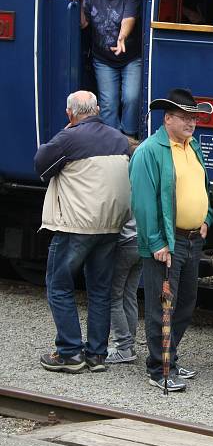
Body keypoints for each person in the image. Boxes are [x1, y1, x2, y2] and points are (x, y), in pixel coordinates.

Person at [35, 91, 131, 373]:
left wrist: (66, 132)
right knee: (100, 291)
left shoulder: (69, 138)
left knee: (59, 285)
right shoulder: (118, 138)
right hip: (111, 226)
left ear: (69, 113)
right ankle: (97, 355)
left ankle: (69, 353)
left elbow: (41, 165)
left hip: (76, 226)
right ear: (98, 109)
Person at [129, 88, 213, 392]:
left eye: (194, 118)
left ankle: (170, 357)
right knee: (162, 306)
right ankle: (159, 368)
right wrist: (155, 243)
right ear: (168, 119)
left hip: (192, 240)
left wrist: (207, 219)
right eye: (185, 117)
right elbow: (143, 203)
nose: (191, 122)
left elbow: (203, 186)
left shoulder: (193, 146)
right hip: (168, 242)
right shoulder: (149, 151)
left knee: (185, 304)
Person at [68, 0, 142, 137]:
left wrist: (122, 38)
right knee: (108, 103)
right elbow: (84, 24)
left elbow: (128, 18)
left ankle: (130, 137)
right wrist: (78, 2)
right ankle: (111, 140)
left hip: (130, 57)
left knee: (131, 97)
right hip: (103, 59)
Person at [106, 139, 143, 364]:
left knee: (113, 295)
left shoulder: (124, 181)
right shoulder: (144, 180)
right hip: (142, 242)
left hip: (126, 242)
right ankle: (130, 343)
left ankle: (123, 347)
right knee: (129, 293)